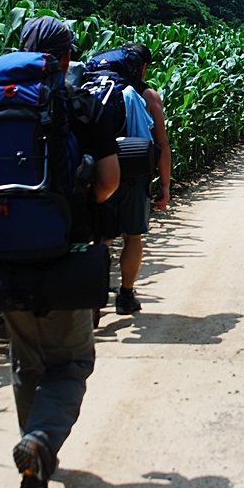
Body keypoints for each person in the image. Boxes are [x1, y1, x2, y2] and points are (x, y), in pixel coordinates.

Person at [0, 16, 121, 488]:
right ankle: (39, 443)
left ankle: (32, 465)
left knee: (27, 361)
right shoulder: (81, 106)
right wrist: (74, 201)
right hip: (65, 256)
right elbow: (108, 183)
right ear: (62, 59)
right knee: (71, 364)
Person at [100, 43, 172, 316]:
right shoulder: (148, 96)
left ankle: (96, 292)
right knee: (132, 236)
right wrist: (164, 185)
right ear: (142, 68)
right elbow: (160, 144)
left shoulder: (97, 88)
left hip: (99, 171)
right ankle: (126, 296)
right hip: (131, 175)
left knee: (102, 237)